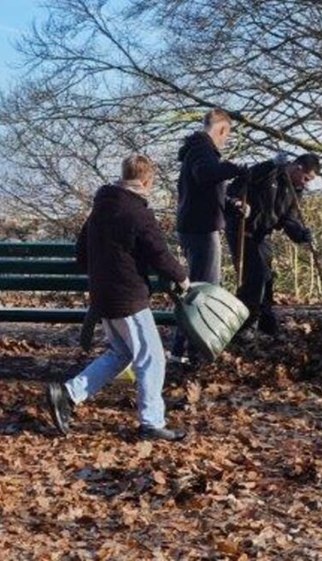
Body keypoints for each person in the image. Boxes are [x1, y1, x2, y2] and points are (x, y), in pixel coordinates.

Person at [47, 154, 191, 441]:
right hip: (128, 296)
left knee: (121, 353)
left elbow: (81, 254)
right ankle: (151, 423)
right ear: (146, 181)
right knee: (152, 359)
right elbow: (159, 254)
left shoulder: (100, 209)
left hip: (103, 294)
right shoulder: (138, 212)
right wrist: (182, 277)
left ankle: (68, 394)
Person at [170, 108, 248, 362]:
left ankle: (182, 348)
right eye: (227, 135)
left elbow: (206, 190)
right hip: (202, 229)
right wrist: (233, 169)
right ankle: (191, 350)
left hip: (194, 225)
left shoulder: (196, 149)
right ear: (222, 129)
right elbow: (206, 176)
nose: (226, 140)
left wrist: (230, 203)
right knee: (204, 291)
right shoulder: (203, 149)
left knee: (197, 288)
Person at [225, 153, 319, 336]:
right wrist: (237, 205)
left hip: (263, 235)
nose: (306, 184)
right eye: (306, 178)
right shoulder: (269, 173)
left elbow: (289, 219)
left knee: (268, 280)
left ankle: (266, 325)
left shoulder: (295, 191)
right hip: (242, 231)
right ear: (297, 167)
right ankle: (243, 327)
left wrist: (301, 235)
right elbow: (240, 183)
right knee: (254, 279)